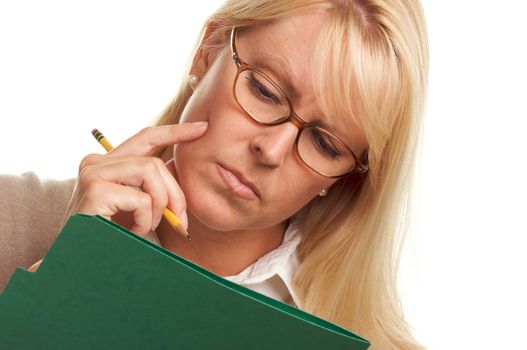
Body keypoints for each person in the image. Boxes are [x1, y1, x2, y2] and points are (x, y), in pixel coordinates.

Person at [0, 0, 428, 348]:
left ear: (343, 179)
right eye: (264, 90)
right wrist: (65, 274)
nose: (272, 150)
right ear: (209, 52)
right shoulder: (12, 218)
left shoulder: (376, 344)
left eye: (325, 144)